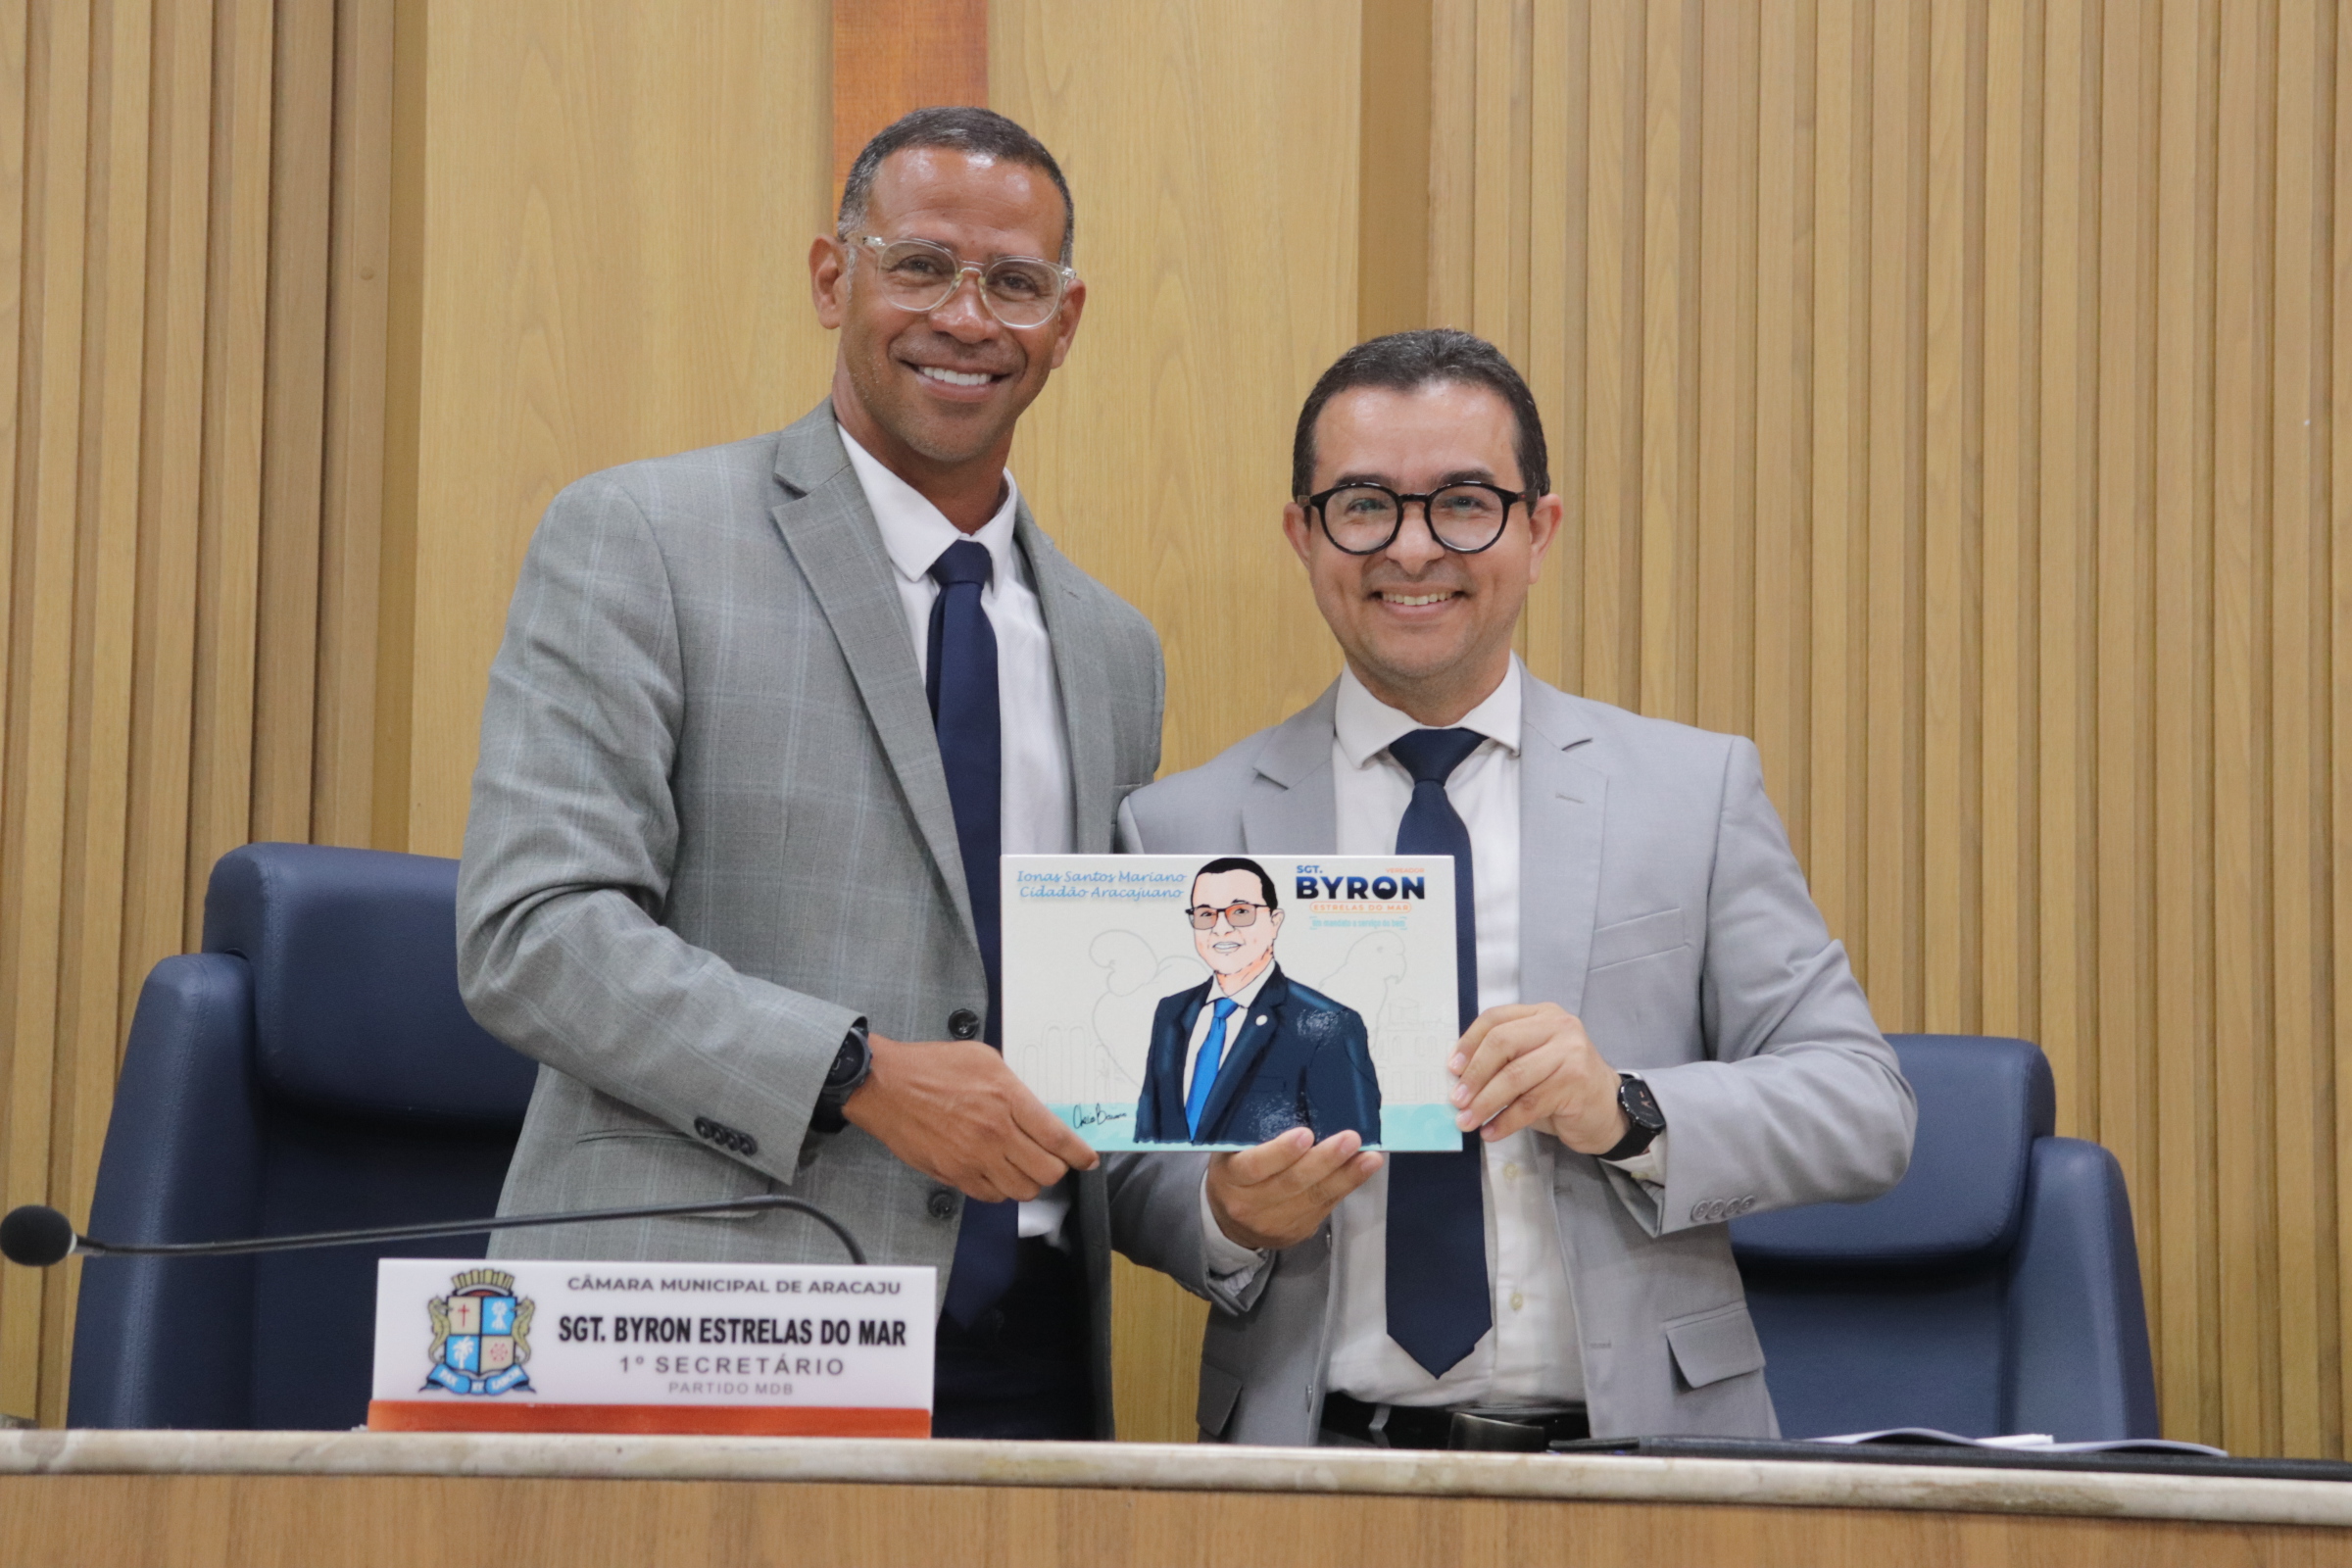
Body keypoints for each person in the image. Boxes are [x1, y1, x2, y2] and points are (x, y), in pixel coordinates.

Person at [457, 108, 1163, 1441]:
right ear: (834, 278)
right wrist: (857, 1073)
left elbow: (1099, 1042)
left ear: (1064, 322)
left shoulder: (1116, 651)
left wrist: (1239, 1198)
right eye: (922, 266)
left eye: (1014, 283)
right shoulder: (640, 539)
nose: (967, 318)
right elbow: (531, 935)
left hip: (1029, 1365)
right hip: (710, 1334)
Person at [1107, 329, 1915, 1447]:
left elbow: (1864, 1108)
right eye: (1364, 505)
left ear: (1539, 531)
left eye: (1465, 504)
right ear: (1304, 535)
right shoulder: (1185, 830)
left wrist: (1625, 1109)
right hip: (1316, 1460)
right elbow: (1124, 1166)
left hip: (1646, 1459)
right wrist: (1226, 1212)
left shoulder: (1692, 794)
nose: (1414, 548)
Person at [1134, 858, 1381, 1147]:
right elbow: (1147, 1134)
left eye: (1240, 912)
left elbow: (1353, 1147)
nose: (1220, 928)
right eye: (1205, 914)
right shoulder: (1171, 1011)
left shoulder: (1329, 1024)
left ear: (1275, 922)